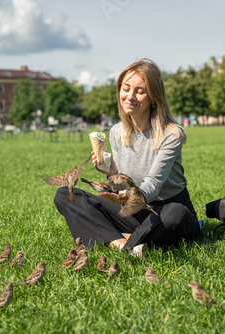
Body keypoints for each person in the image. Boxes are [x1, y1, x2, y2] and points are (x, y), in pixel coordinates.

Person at [54, 59, 201, 256]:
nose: (130, 96)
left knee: (177, 214)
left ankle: (121, 236)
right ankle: (122, 243)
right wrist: (112, 173)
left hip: (165, 209)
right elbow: (123, 186)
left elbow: (153, 183)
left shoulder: (171, 134)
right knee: (65, 195)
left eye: (140, 91)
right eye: (126, 89)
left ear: (154, 97)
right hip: (134, 211)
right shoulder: (117, 132)